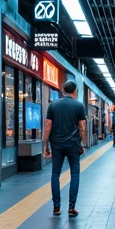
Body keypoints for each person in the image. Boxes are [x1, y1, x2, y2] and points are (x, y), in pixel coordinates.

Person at [42, 79, 87, 217]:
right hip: (73, 145)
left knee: (55, 174)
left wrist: (45, 145)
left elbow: (48, 126)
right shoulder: (79, 106)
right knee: (75, 174)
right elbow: (82, 128)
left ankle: (56, 207)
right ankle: (72, 207)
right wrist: (83, 144)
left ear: (63, 90)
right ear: (75, 91)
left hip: (57, 145)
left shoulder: (53, 106)